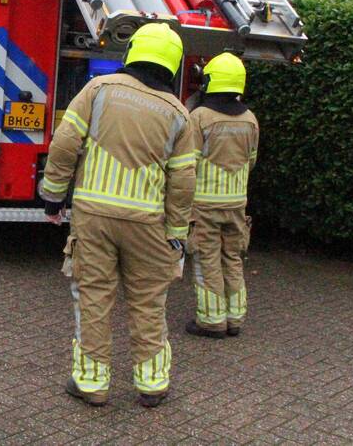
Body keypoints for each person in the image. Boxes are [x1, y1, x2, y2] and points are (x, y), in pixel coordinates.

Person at [39, 22, 196, 408]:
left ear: (132, 53)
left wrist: (53, 197)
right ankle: (153, 383)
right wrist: (177, 232)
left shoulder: (98, 90)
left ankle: (92, 384)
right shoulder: (179, 113)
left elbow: (64, 144)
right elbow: (183, 180)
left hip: (93, 217)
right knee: (148, 301)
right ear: (172, 65)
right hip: (148, 224)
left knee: (93, 296)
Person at [184, 52, 259, 339]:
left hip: (204, 204)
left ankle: (211, 321)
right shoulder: (250, 119)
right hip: (236, 203)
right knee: (233, 257)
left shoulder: (200, 117)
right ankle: (234, 318)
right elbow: (251, 160)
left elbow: (187, 163)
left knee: (206, 259)